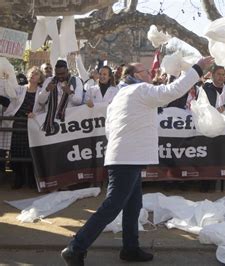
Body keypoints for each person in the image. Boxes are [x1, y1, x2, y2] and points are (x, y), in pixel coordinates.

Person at [60, 56, 214, 266]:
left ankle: (130, 248)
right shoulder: (139, 90)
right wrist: (198, 68)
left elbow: (108, 129)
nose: (151, 74)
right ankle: (75, 248)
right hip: (127, 158)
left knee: (133, 205)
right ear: (134, 76)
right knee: (113, 205)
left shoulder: (121, 96)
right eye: (146, 72)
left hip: (125, 156)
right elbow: (172, 91)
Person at [34, 60, 84, 135]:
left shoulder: (76, 81)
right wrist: (47, 90)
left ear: (67, 71)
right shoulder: (49, 80)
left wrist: (69, 92)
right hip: (51, 121)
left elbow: (78, 101)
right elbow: (41, 101)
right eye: (58, 74)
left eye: (62, 74)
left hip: (69, 123)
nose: (60, 76)